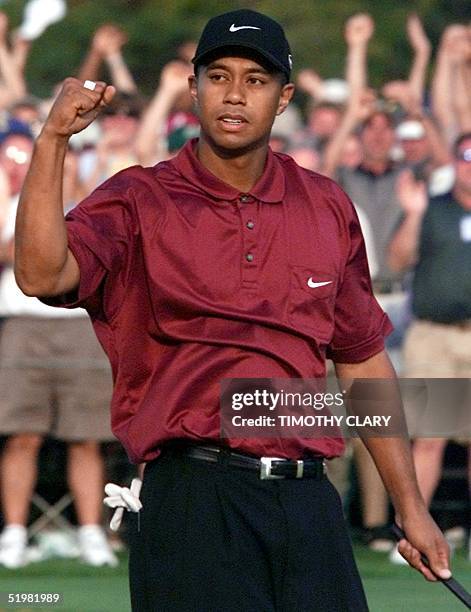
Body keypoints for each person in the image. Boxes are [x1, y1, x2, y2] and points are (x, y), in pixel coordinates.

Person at [14, 9, 450, 611]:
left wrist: (411, 508)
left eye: (256, 78)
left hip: (308, 502)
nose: (235, 94)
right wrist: (53, 140)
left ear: (283, 96)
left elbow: (362, 362)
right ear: (194, 89)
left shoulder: (326, 205)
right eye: (218, 76)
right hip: (192, 498)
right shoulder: (138, 198)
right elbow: (40, 273)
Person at [0, 132, 118, 568]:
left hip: (80, 326)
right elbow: (14, 254)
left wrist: (78, 190)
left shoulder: (93, 203)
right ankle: (13, 534)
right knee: (21, 435)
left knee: (87, 437)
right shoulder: (16, 199)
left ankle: (91, 532)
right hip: (24, 326)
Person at [388, 132, 471, 560]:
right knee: (429, 440)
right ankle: (411, 534)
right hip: (434, 336)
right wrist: (414, 214)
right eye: (466, 157)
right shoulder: (432, 210)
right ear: (454, 163)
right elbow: (397, 260)